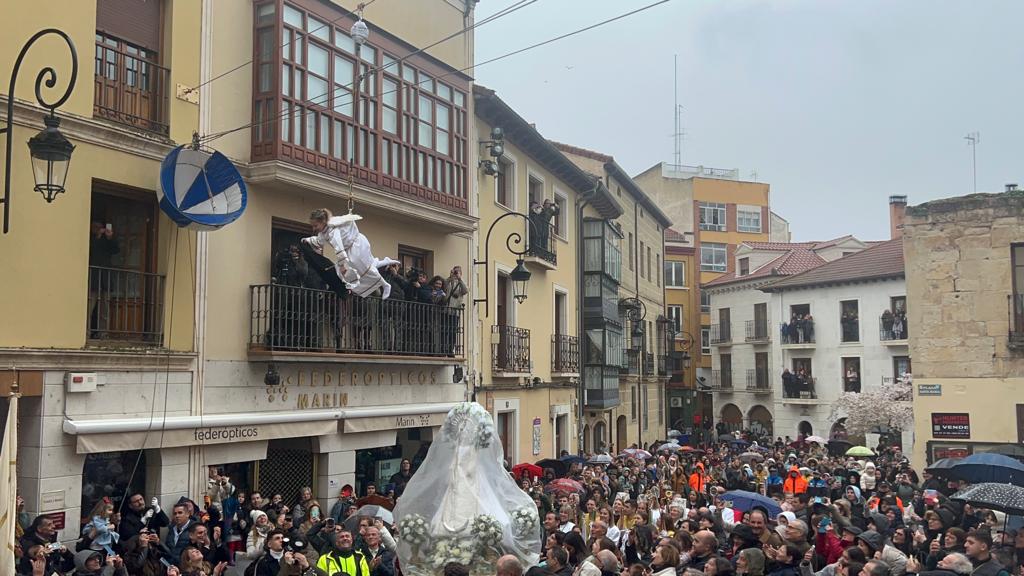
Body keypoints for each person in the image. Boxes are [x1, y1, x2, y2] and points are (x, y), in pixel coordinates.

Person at [303, 208, 392, 299]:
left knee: (364, 268)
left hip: (356, 246)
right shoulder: (324, 232)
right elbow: (319, 241)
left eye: (315, 225)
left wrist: (342, 265)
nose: (314, 228)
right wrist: (308, 240)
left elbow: (339, 249)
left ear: (323, 221)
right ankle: (368, 285)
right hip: (349, 250)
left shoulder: (332, 231)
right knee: (348, 273)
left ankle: (385, 285)